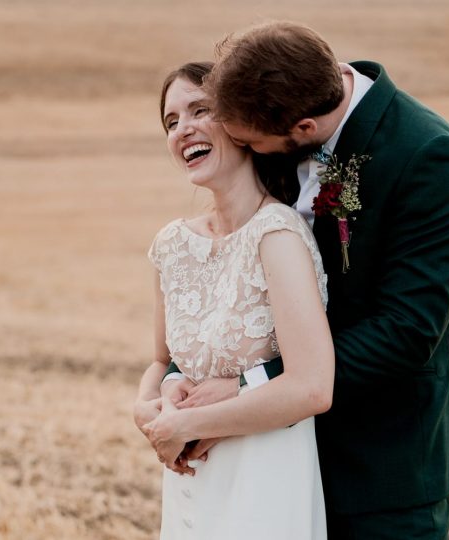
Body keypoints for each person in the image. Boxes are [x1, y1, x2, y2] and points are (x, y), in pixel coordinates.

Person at [198, 22, 449, 539]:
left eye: (251, 143)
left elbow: (409, 330)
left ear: (303, 129)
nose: (245, 151)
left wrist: (253, 388)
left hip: (380, 465)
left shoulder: (428, 156)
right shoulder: (282, 112)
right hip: (269, 457)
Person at [133, 62, 333, 540]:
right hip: (190, 479)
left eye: (200, 110)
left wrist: (191, 423)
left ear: (241, 125)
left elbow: (312, 388)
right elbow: (163, 362)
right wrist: (147, 407)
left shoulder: (277, 234)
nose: (184, 129)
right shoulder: (173, 245)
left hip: (265, 475)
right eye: (171, 121)